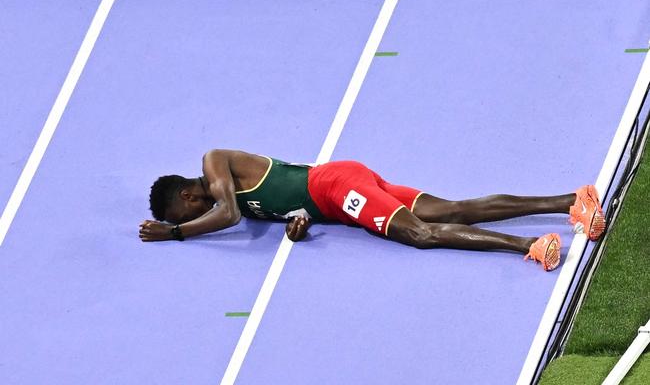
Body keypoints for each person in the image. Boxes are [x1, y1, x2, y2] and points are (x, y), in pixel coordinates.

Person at [139, 149, 605, 271]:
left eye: (186, 216)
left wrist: (177, 236)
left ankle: (531, 244)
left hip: (338, 187)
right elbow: (285, 207)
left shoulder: (213, 162)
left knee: (420, 234)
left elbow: (228, 217)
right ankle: (572, 200)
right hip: (337, 195)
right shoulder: (235, 196)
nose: (195, 221)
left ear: (186, 197)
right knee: (456, 209)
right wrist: (297, 226)